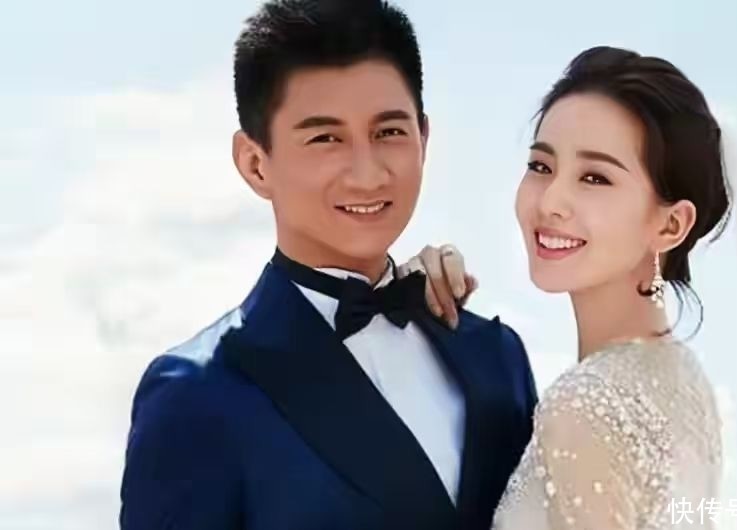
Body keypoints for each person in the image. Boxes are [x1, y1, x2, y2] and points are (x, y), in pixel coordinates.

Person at [119, 1, 537, 529]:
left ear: (423, 139)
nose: (367, 174)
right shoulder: (198, 391)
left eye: (389, 132)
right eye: (325, 139)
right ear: (255, 163)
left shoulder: (496, 357)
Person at [410, 46, 732, 529]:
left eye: (594, 178)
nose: (551, 202)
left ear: (671, 225)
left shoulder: (584, 406)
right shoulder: (683, 377)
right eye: (541, 166)